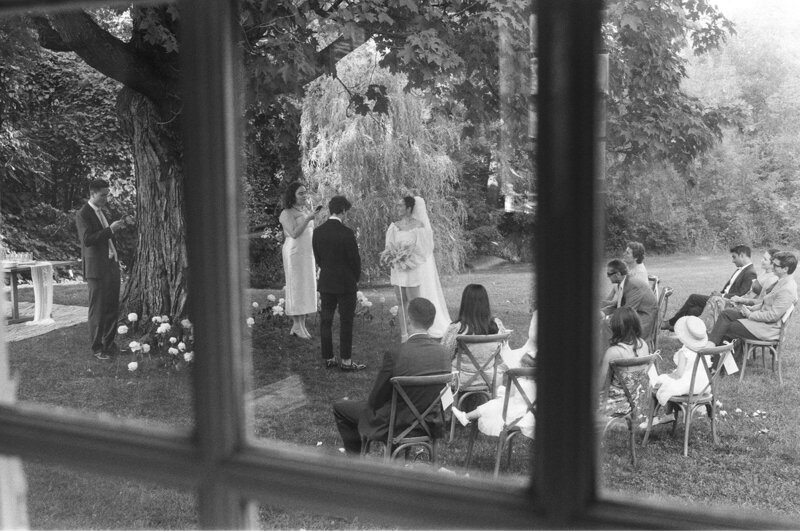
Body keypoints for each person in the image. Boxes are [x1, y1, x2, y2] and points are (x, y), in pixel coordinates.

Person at [332, 298, 450, 454]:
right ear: (431, 322)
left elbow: (376, 400)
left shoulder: (395, 355)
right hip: (430, 424)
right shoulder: (444, 353)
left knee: (340, 407)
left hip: (396, 424)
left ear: (408, 320)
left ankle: (355, 465)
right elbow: (446, 397)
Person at [382, 196, 450, 341]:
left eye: (401, 206)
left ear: (409, 209)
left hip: (412, 269)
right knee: (401, 302)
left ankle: (417, 333)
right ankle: (404, 334)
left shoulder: (419, 226)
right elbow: (389, 246)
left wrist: (407, 257)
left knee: (414, 303)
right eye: (397, 206)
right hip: (398, 269)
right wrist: (393, 256)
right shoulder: (394, 226)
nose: (398, 208)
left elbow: (424, 249)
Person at [312, 195, 366, 371]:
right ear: (343, 210)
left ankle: (329, 358)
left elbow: (318, 258)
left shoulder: (318, 232)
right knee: (346, 322)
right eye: (346, 211)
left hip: (327, 282)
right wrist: (355, 278)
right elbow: (354, 261)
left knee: (326, 321)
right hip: (346, 283)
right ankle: (346, 361)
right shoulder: (347, 233)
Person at [75, 179, 126, 360]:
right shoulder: (83, 214)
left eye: (107, 194)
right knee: (97, 309)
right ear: (92, 193)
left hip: (111, 265)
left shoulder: (101, 212)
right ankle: (97, 349)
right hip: (96, 268)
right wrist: (110, 230)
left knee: (112, 306)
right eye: (102, 195)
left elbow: (105, 238)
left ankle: (109, 344)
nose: (105, 198)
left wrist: (113, 231)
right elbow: (87, 239)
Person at [708, 251, 798, 347]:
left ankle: (718, 354)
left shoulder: (787, 289)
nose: (772, 267)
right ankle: (712, 347)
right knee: (726, 314)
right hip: (761, 321)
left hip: (767, 329)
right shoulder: (781, 281)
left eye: (776, 265)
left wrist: (750, 315)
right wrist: (750, 309)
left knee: (729, 326)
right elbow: (765, 303)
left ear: (785, 269)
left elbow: (773, 316)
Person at [662, 245, 757, 332]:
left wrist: (721, 295)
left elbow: (741, 294)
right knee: (694, 310)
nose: (732, 260)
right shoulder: (741, 270)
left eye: (734, 257)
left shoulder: (750, 273)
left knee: (693, 297)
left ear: (742, 255)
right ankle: (687, 332)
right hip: (721, 299)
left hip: (727, 303)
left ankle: (671, 323)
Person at [451, 351, 536, 439]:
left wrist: (501, 392)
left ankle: (466, 417)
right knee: (496, 404)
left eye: (521, 365)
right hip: (531, 416)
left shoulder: (520, 382)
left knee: (492, 405)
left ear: (525, 368)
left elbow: (509, 394)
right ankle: (466, 417)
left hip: (516, 414)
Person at [440, 284, 509, 388]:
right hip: (490, 378)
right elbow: (503, 352)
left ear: (464, 303)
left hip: (460, 379)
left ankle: (448, 403)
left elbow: (444, 355)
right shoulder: (497, 325)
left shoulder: (456, 328)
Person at [698, 248, 780, 331]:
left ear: (773, 263)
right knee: (713, 300)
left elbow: (760, 302)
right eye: (763, 257)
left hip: (748, 307)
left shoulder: (772, 279)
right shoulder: (765, 273)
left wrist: (741, 300)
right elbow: (750, 292)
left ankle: (702, 331)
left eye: (765, 259)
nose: (761, 260)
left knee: (715, 300)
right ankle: (703, 329)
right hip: (741, 301)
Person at [278, 182, 321, 340]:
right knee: (296, 286)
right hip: (294, 254)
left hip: (307, 254)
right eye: (300, 193)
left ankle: (301, 325)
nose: (304, 196)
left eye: (305, 193)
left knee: (305, 287)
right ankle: (296, 325)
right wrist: (308, 218)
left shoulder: (304, 211)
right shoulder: (286, 213)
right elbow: (294, 233)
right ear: (292, 195)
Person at [651, 316, 713, 420]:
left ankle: (657, 415)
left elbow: (679, 374)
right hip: (704, 386)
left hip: (689, 386)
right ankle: (669, 413)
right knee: (667, 383)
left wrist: (669, 376)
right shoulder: (705, 350)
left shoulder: (684, 352)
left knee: (660, 381)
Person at [597, 307, 650, 397]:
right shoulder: (643, 344)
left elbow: (600, 385)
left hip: (617, 402)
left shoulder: (613, 352)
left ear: (615, 326)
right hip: (639, 399)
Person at [600, 259, 658, 338]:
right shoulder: (624, 283)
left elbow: (627, 312)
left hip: (643, 321)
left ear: (617, 274)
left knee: (606, 324)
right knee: (603, 323)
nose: (607, 276)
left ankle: (611, 349)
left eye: (609, 274)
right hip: (635, 315)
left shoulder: (633, 285)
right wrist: (603, 312)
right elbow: (619, 306)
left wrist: (608, 318)